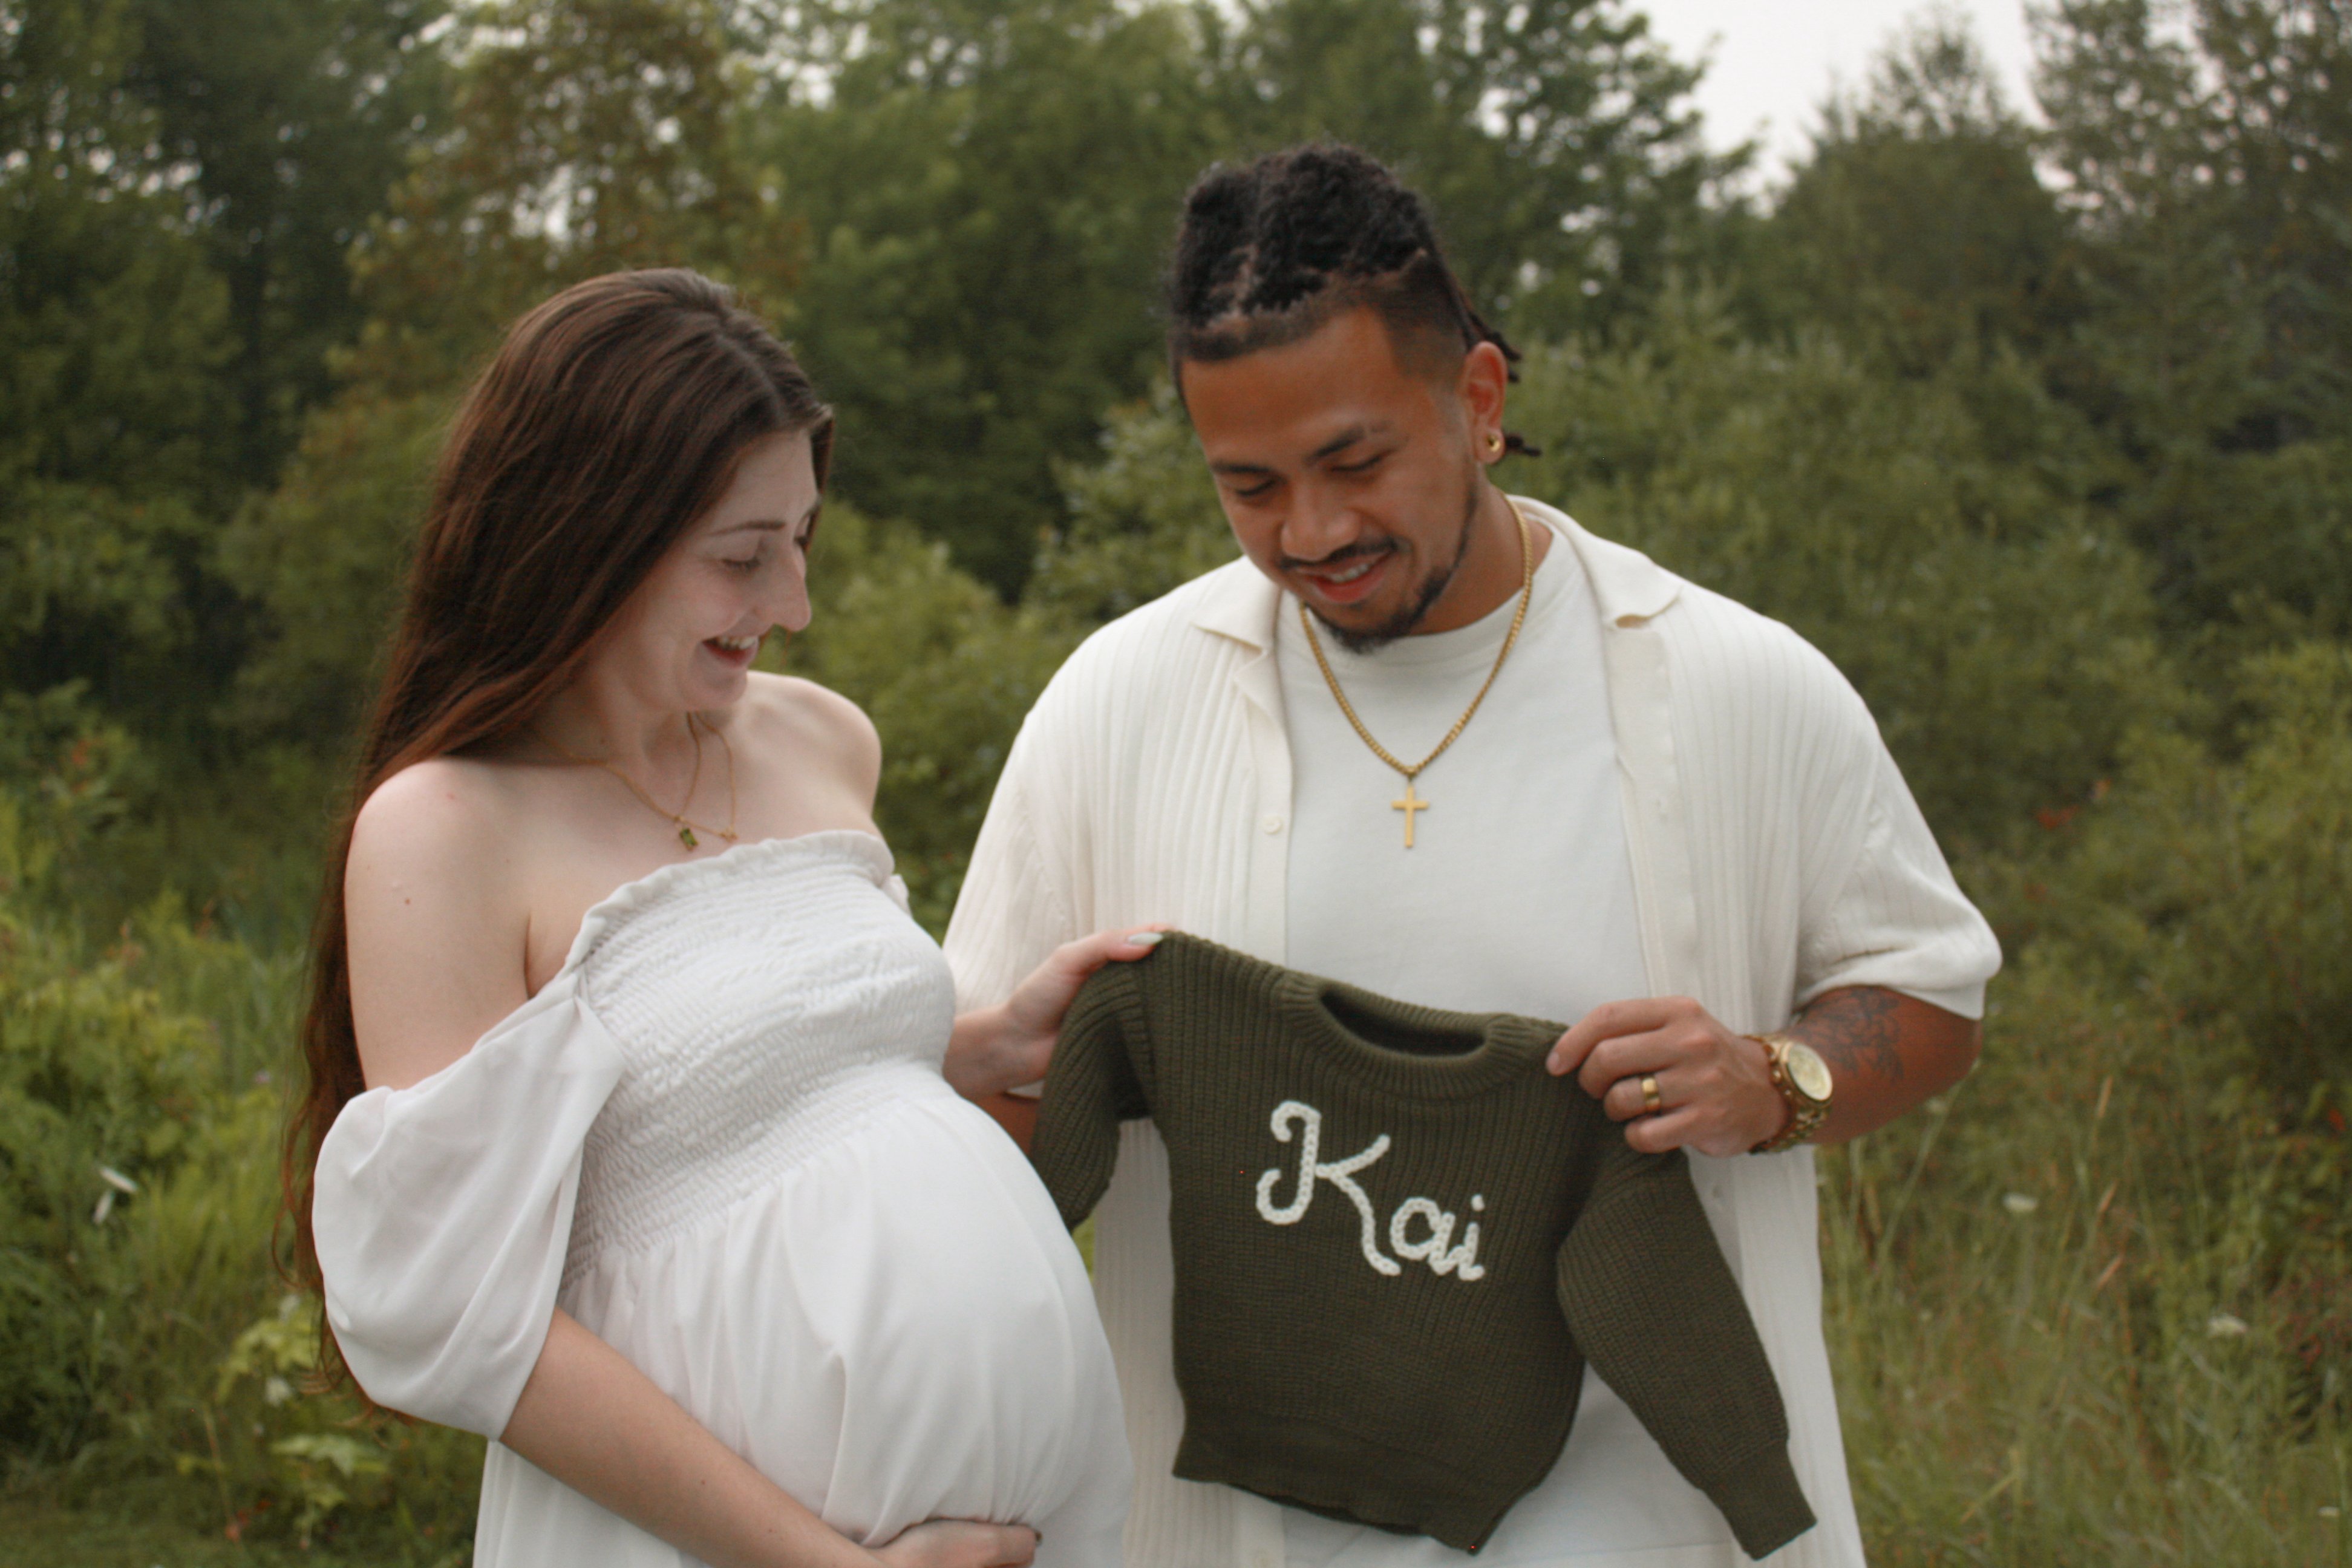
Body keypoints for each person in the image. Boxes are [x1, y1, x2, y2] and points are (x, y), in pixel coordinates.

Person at [940, 144, 2002, 1568]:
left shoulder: (1738, 686)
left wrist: (1775, 1081)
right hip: (1232, 1530)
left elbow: (1932, 1001)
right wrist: (999, 1076)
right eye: (1248, 486)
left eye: (1354, 461)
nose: (1312, 533)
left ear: (1480, 399)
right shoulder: (1118, 706)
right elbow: (977, 1140)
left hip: (1645, 1530)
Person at [283, 269, 1147, 1568]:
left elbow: (740, 1082)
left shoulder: (820, 738)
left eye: (803, 541)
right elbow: (454, 1314)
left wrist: (959, 1046)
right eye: (743, 558)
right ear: (586, 533)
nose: (792, 603)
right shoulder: (447, 828)